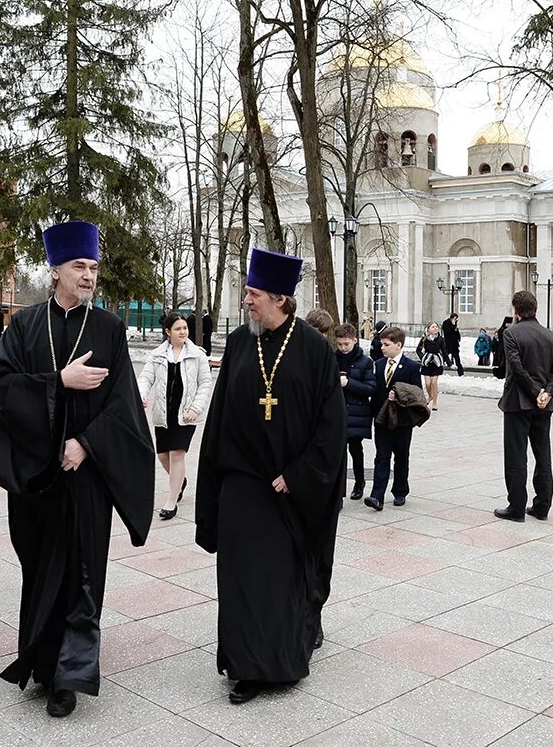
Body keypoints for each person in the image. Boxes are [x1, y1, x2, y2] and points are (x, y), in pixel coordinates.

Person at [0, 221, 154, 718]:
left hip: (86, 477)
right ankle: (40, 661)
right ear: (55, 269)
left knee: (82, 571)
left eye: (94, 267)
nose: (88, 276)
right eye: (79, 266)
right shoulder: (24, 326)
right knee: (39, 568)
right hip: (38, 477)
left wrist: (85, 443)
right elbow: (2, 387)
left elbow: (124, 405)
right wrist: (60, 380)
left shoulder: (108, 329)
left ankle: (69, 674)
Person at [195, 248, 345, 705]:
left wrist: (297, 476)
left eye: (254, 294)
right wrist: (216, 479)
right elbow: (220, 416)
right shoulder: (242, 342)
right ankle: (243, 663)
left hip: (288, 489)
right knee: (240, 577)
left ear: (280, 298)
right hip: (242, 482)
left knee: (279, 580)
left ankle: (276, 660)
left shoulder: (315, 350)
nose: (247, 301)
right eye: (246, 292)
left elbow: (329, 428)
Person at [495, 290, 553, 522]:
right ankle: (542, 506)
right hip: (543, 405)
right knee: (542, 454)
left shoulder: (511, 333)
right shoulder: (550, 336)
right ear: (535, 308)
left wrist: (536, 392)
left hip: (518, 402)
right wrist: (547, 393)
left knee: (516, 456)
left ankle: (516, 507)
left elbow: (515, 367)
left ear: (515, 310)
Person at [138, 312, 212, 521]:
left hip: (186, 414)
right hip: (163, 412)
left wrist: (196, 408)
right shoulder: (158, 355)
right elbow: (146, 377)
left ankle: (171, 501)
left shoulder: (197, 354)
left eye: (185, 328)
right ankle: (180, 482)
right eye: (178, 329)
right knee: (162, 455)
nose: (183, 332)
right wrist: (141, 394)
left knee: (177, 453)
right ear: (167, 332)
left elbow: (205, 383)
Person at [365, 325, 423, 510]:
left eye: (386, 344)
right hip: (382, 419)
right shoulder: (379, 364)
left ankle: (400, 491)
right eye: (382, 344)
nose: (382, 347)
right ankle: (377, 495)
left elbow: (417, 393)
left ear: (399, 345)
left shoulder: (412, 367)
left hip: (403, 420)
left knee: (401, 456)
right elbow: (375, 390)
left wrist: (400, 396)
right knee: (381, 456)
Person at [335, 322, 375, 500]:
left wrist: (349, 383)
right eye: (339, 344)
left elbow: (370, 388)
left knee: (355, 449)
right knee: (337, 452)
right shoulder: (332, 358)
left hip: (357, 412)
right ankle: (339, 488)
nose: (343, 348)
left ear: (355, 341)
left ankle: (359, 482)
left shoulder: (365, 362)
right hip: (337, 411)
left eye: (346, 344)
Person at [417, 322, 446, 410]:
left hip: (436, 363)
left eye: (436, 327)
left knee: (434, 382)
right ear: (428, 329)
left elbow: (444, 351)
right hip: (427, 363)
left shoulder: (440, 339)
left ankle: (434, 403)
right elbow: (418, 350)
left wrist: (449, 363)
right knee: (427, 383)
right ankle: (430, 396)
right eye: (433, 327)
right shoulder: (424, 339)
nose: (435, 328)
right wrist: (423, 358)